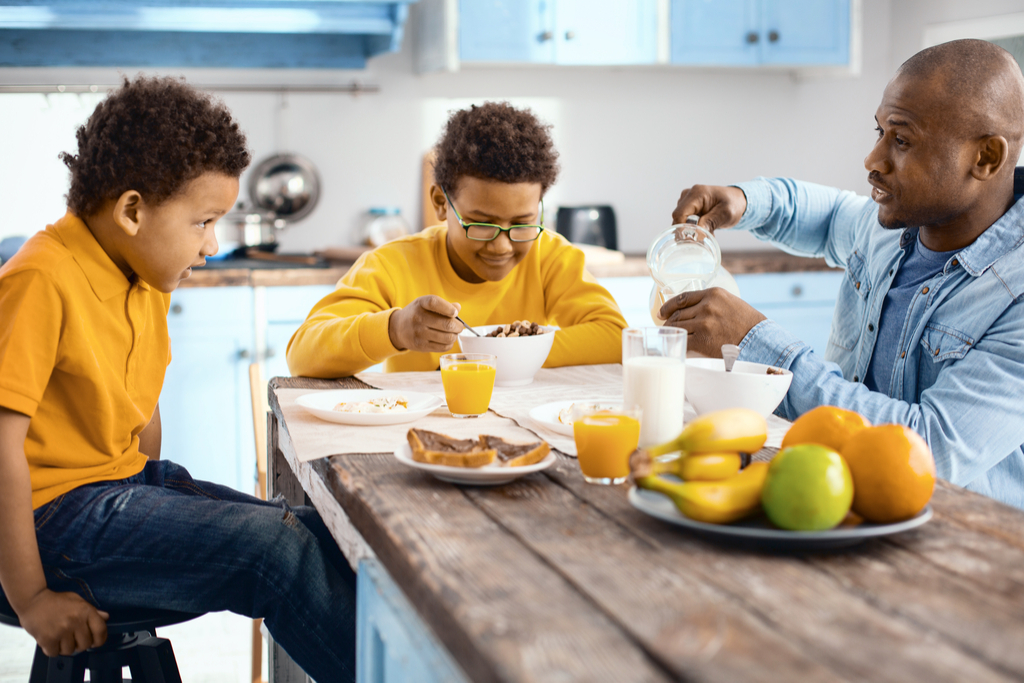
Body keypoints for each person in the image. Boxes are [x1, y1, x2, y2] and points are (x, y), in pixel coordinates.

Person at [0, 76, 357, 681]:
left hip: (115, 493)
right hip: (47, 524)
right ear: (133, 210)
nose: (213, 245)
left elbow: (140, 411)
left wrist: (152, 504)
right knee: (276, 551)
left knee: (323, 533)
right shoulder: (40, 279)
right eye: (203, 222)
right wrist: (31, 597)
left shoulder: (145, 275)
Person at [661, 39, 1024, 509]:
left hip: (963, 537)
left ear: (986, 158)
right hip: (838, 501)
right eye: (879, 132)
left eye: (902, 139)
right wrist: (744, 200)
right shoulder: (893, 227)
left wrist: (758, 343)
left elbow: (932, 447)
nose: (873, 160)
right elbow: (832, 215)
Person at [287, 101, 627, 378]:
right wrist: (395, 330)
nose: (502, 246)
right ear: (440, 203)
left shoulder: (550, 256)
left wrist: (504, 350)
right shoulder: (393, 265)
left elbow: (615, 337)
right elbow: (302, 354)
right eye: (481, 223)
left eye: (522, 223)